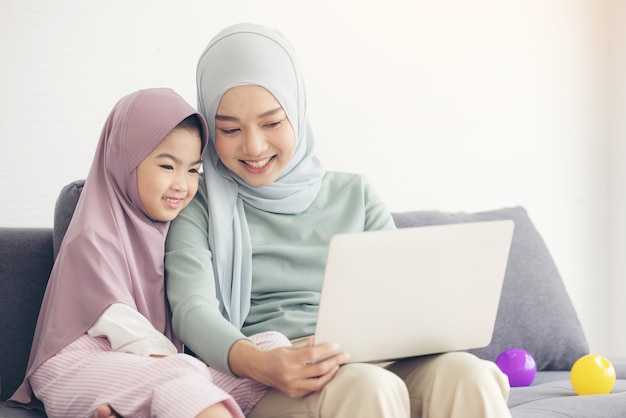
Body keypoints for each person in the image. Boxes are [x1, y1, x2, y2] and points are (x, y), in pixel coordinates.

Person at [165, 23, 512, 418]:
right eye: (229, 129)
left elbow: (404, 299)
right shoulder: (197, 201)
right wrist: (262, 363)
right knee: (367, 387)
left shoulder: (356, 195)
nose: (254, 146)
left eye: (273, 123)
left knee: (468, 373)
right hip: (273, 371)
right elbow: (192, 310)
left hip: (372, 355)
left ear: (297, 110)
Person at [9, 87, 288, 418]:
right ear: (127, 162)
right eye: (167, 167)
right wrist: (183, 366)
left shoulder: (175, 232)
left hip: (149, 368)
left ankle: (145, 407)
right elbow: (118, 321)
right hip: (76, 366)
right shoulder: (94, 233)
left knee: (272, 347)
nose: (182, 185)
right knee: (181, 375)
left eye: (192, 170)